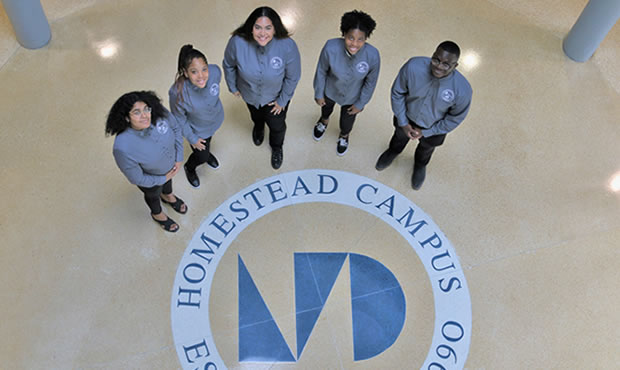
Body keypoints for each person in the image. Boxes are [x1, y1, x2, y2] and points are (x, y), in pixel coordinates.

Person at [375, 41, 472, 190]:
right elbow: (397, 93)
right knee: (398, 138)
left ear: (455, 66)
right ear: (432, 55)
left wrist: (427, 132)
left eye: (446, 64)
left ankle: (420, 165)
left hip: (434, 128)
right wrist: (403, 121)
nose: (439, 66)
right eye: (436, 59)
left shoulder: (463, 90)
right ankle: (393, 152)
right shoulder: (413, 66)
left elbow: (455, 118)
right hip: (406, 117)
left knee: (426, 149)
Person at [223, 6, 301, 169]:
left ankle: (277, 147)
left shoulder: (287, 46)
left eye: (268, 28)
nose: (262, 33)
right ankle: (258, 128)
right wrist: (233, 86)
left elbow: (292, 77)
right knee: (256, 115)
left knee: (277, 126)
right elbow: (229, 65)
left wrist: (282, 101)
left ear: (275, 29)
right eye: (257, 27)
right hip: (250, 94)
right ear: (251, 27)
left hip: (275, 100)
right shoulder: (237, 42)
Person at [106, 91, 186, 233]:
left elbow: (176, 128)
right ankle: (157, 214)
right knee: (153, 195)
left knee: (168, 185)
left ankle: (167, 196)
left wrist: (179, 157)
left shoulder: (159, 113)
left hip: (170, 168)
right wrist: (162, 178)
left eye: (146, 109)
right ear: (126, 117)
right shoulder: (122, 147)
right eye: (136, 112)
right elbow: (137, 178)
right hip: (151, 180)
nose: (145, 116)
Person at [313, 10, 380, 156]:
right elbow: (321, 71)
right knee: (326, 110)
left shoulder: (373, 55)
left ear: (366, 38)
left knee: (347, 122)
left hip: (352, 97)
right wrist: (319, 93)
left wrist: (361, 103)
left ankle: (344, 136)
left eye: (360, 39)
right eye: (350, 38)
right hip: (330, 90)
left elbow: (370, 83)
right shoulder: (330, 47)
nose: (354, 44)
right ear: (343, 34)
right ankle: (323, 121)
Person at [169, 44, 224, 188]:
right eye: (194, 72)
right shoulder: (177, 92)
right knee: (201, 155)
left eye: (204, 69)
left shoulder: (215, 72)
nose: (201, 76)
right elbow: (179, 118)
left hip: (213, 122)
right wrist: (192, 139)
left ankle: (206, 153)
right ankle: (190, 167)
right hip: (197, 131)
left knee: (208, 143)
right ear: (186, 73)